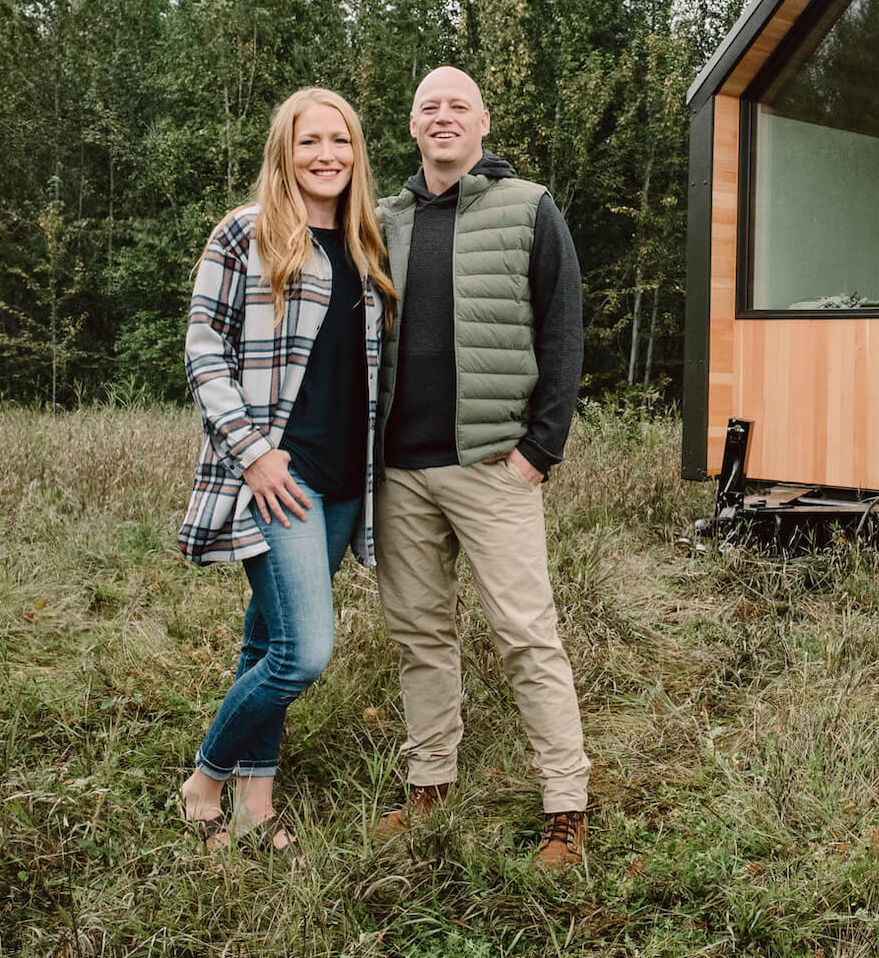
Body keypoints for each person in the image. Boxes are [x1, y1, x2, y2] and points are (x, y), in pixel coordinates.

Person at [370, 65, 590, 868]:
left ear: (483, 122)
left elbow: (563, 329)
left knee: (528, 636)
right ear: (412, 125)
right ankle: (430, 784)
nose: (443, 116)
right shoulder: (382, 220)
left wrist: (540, 451)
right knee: (420, 636)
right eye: (428, 106)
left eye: (458, 105)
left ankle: (566, 805)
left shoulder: (529, 207)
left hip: (495, 467)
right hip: (400, 473)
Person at [174, 87, 395, 854]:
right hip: (278, 478)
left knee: (267, 641)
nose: (326, 155)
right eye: (309, 142)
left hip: (343, 482)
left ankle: (255, 804)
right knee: (304, 652)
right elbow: (204, 350)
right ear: (284, 151)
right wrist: (254, 452)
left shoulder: (367, 244)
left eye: (340, 140)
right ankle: (205, 779)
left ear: (356, 152)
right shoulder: (246, 233)